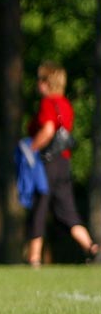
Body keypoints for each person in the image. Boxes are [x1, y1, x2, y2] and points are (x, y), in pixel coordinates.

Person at [23, 62, 98, 266]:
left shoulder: (48, 103)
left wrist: (31, 149)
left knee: (39, 207)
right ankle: (91, 247)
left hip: (47, 163)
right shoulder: (65, 103)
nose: (38, 84)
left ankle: (34, 257)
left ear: (48, 82)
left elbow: (47, 130)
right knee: (67, 210)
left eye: (41, 79)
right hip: (63, 162)